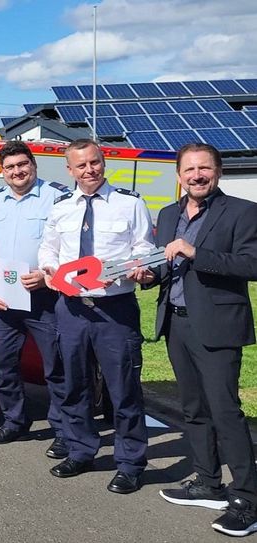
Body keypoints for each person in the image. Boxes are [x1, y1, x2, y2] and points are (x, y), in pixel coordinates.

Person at [142, 143, 257, 537]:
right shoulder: (169, 213)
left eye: (204, 168)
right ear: (179, 175)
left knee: (225, 411)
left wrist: (197, 252)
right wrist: (149, 275)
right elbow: (165, 263)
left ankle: (247, 500)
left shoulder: (242, 212)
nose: (196, 175)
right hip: (176, 323)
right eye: (189, 169)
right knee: (193, 408)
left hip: (218, 326)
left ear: (218, 172)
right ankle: (208, 482)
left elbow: (252, 264)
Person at [37, 139, 153, 494]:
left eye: (94, 163)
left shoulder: (129, 204)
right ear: (69, 171)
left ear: (103, 163)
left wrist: (139, 268)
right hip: (70, 309)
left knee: (123, 390)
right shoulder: (61, 208)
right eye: (81, 166)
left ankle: (130, 463)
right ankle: (81, 449)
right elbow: (48, 247)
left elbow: (144, 246)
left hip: (113, 311)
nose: (89, 171)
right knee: (74, 385)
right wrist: (49, 269)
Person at [0, 142, 68, 456]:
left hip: (45, 298)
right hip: (2, 300)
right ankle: (15, 420)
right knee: (4, 364)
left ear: (34, 165)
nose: (17, 172)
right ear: (2, 171)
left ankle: (64, 429)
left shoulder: (57, 198)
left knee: (56, 366)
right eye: (10, 167)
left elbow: (71, 246)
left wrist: (46, 273)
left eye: (22, 164)